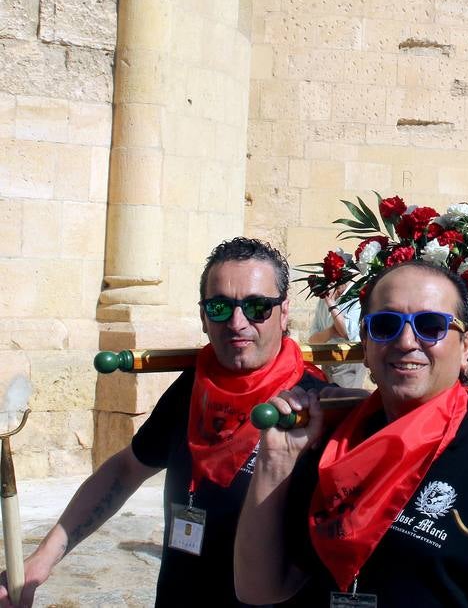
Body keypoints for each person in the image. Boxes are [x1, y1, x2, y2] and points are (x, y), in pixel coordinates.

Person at [233, 261, 468, 607]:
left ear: (466, 346)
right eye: (386, 324)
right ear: (366, 342)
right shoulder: (333, 446)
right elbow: (260, 588)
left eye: (430, 325)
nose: (407, 341)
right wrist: (276, 460)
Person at [0, 237, 326, 608]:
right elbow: (126, 469)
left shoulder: (317, 408)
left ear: (284, 312)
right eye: (220, 307)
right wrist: (42, 560)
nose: (237, 323)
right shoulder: (195, 385)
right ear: (203, 317)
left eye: (256, 307)